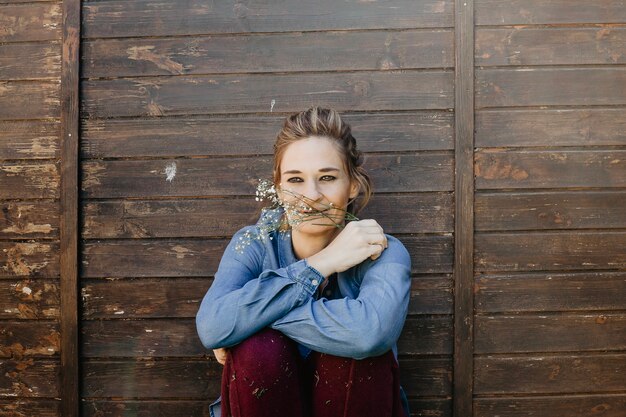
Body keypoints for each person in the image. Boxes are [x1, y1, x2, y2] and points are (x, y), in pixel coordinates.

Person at [196, 107, 412, 417]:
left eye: (327, 177)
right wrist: (320, 264)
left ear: (352, 185)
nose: (311, 195)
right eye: (295, 180)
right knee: (258, 349)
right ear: (279, 188)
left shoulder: (381, 250)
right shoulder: (254, 244)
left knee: (352, 353)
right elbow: (211, 326)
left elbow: (369, 333)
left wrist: (248, 319)